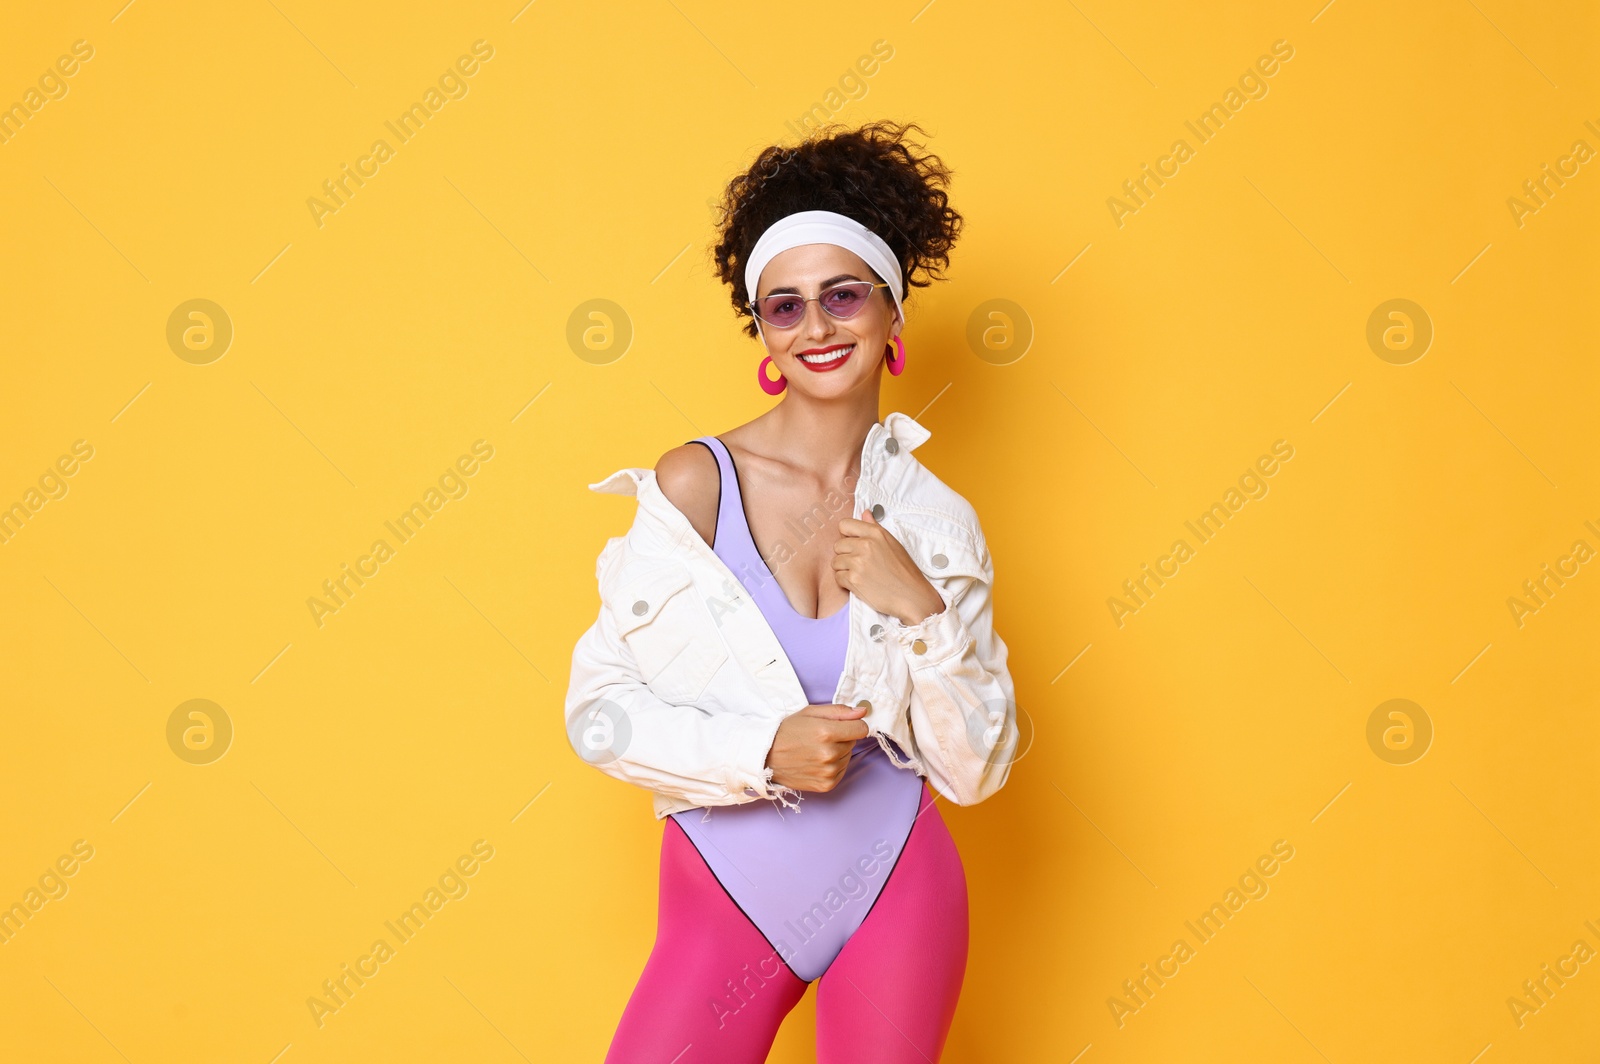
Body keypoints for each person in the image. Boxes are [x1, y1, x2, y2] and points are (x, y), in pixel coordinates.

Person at [576, 120, 1014, 1062]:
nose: (816, 327)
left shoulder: (938, 527)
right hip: (728, 886)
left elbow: (978, 771)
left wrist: (922, 612)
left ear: (892, 314)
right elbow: (598, 715)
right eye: (786, 306)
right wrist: (763, 749)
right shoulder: (697, 486)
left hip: (900, 884)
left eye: (843, 296)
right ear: (764, 331)